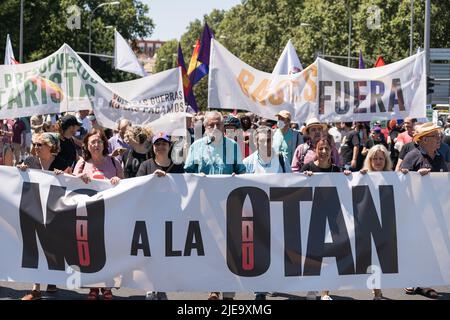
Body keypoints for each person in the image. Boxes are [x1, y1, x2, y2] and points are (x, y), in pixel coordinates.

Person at [184, 111, 245, 300]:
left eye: (219, 124)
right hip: (205, 207)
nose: (215, 128)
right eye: (211, 125)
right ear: (205, 126)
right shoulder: (197, 147)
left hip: (229, 207)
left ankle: (228, 293)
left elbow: (242, 173)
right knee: (210, 249)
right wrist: (196, 177)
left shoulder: (233, 146)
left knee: (230, 250)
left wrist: (237, 177)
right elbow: (187, 176)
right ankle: (213, 289)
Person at [18, 132, 71, 300]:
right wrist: (20, 171)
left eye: (40, 145)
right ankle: (36, 287)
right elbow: (15, 181)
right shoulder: (29, 162)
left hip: (54, 211)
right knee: (35, 244)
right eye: (35, 144)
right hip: (33, 209)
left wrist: (65, 176)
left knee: (52, 245)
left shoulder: (62, 164)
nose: (36, 147)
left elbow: (72, 183)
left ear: (51, 147)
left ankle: (51, 280)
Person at [74, 129, 124, 300]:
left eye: (99, 142)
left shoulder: (114, 162)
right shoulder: (81, 164)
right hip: (88, 216)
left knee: (109, 252)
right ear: (87, 146)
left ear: (104, 144)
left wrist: (118, 182)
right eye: (92, 142)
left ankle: (108, 286)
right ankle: (93, 287)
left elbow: (124, 186)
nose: (96, 145)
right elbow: (72, 187)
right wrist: (79, 177)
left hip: (110, 214)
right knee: (92, 253)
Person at [400, 122, 446, 299]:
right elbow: (400, 178)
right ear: (425, 140)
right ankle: (411, 279)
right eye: (435, 136)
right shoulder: (413, 156)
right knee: (414, 246)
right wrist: (416, 176)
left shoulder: (440, 157)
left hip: (435, 210)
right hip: (415, 210)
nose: (438, 139)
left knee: (431, 246)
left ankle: (424, 282)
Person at [137, 132, 184, 300]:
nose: (161, 147)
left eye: (164, 144)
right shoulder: (146, 166)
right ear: (153, 147)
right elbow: (138, 187)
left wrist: (169, 180)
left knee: (165, 254)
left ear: (169, 146)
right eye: (157, 144)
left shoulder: (178, 166)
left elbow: (185, 189)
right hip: (150, 216)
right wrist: (153, 179)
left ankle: (161, 286)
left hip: (170, 216)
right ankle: (151, 286)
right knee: (149, 254)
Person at [299, 135, 342, 300]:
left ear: (331, 150)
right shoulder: (307, 168)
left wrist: (349, 176)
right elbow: (296, 190)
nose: (324, 151)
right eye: (320, 148)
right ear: (315, 150)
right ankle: (311, 288)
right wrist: (304, 179)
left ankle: (325, 292)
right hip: (312, 218)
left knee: (329, 256)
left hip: (333, 219)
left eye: (327, 148)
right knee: (313, 256)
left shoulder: (337, 170)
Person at [359, 144, 393, 300]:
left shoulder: (394, 177)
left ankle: (377, 291)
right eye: (375, 158)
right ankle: (377, 291)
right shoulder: (362, 176)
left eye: (381, 158)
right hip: (368, 223)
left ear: (386, 161)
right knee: (372, 260)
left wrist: (408, 177)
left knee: (382, 259)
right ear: (370, 160)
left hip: (386, 224)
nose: (378, 162)